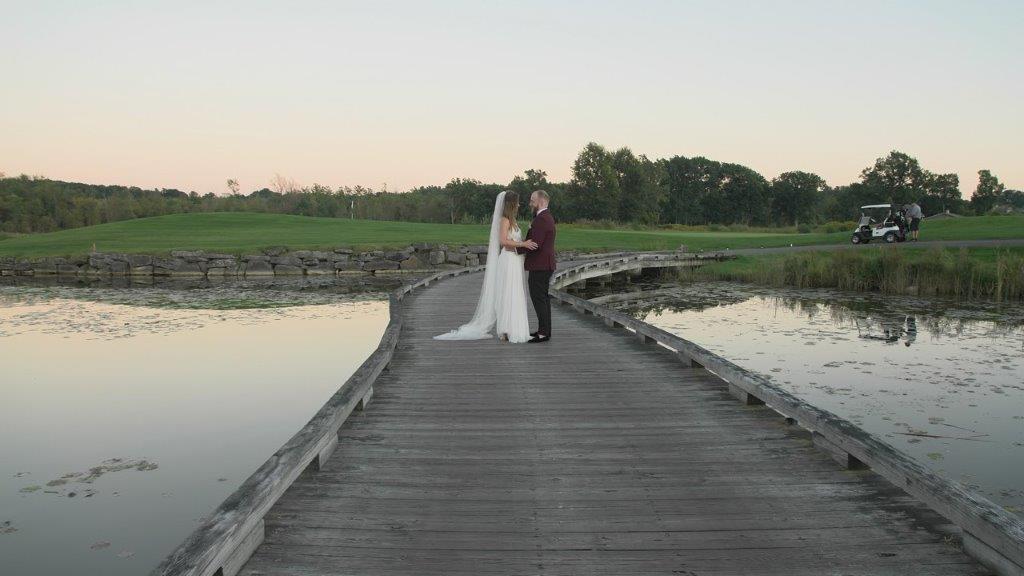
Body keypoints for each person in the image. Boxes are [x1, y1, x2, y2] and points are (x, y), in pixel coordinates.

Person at [433, 191, 537, 343]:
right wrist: (523, 244)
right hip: (508, 260)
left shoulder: (512, 220)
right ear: (511, 204)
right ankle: (505, 330)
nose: (520, 205)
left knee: (515, 293)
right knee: (507, 293)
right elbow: (502, 241)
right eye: (518, 202)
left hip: (515, 261)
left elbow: (513, 239)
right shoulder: (504, 220)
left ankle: (514, 328)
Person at [517, 190, 557, 343]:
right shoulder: (544, 217)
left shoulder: (541, 219)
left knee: (539, 298)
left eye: (532, 200)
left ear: (540, 201)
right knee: (543, 299)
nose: (530, 203)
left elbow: (535, 244)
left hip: (540, 265)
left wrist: (515, 248)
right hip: (545, 265)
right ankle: (544, 331)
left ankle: (543, 333)